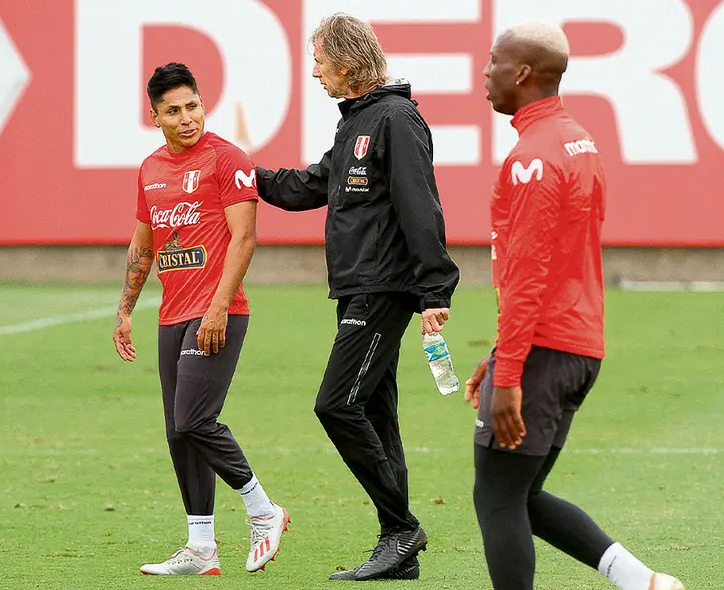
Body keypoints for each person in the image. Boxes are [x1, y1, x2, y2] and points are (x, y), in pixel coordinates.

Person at [465, 22, 685, 590]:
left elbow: (529, 273)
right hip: (576, 347)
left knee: (496, 497)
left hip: (541, 349)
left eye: (492, 62)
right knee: (522, 494)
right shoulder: (578, 141)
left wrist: (509, 369)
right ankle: (645, 583)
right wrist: (500, 355)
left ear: (521, 73)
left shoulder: (533, 158)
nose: (483, 73)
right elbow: (556, 263)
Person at [255, 13, 460, 582]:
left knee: (336, 404)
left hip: (382, 287)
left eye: (319, 61)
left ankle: (401, 529)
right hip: (359, 287)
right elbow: (315, 184)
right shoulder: (357, 124)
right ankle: (399, 553)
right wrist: (250, 178)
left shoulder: (395, 118)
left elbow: (421, 205)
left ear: (346, 63)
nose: (315, 72)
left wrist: (435, 287)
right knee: (376, 412)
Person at [113, 62, 289, 576]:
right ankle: (201, 548)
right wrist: (125, 310)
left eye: (193, 106)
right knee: (177, 431)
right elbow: (143, 245)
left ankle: (263, 510)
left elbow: (245, 238)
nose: (187, 118)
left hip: (219, 312)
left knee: (194, 419)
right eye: (174, 111)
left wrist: (217, 308)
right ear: (155, 117)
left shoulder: (228, 160)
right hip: (172, 314)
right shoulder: (150, 170)